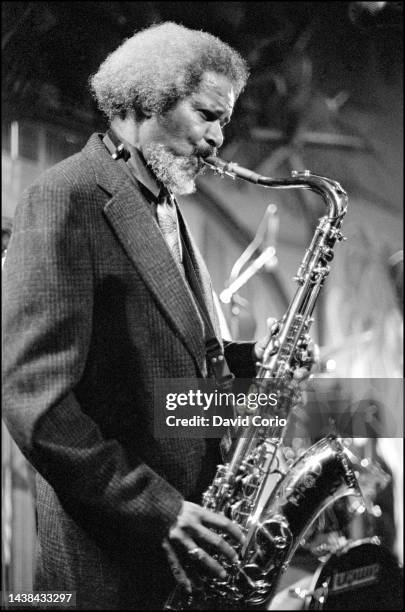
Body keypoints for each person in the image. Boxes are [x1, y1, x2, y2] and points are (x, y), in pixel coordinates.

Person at [3, 22, 312, 611]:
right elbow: (35, 403)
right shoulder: (66, 195)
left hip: (180, 564)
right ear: (149, 98)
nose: (221, 138)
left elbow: (174, 384)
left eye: (225, 120)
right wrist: (161, 510)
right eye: (208, 115)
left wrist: (263, 384)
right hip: (109, 569)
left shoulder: (165, 206)